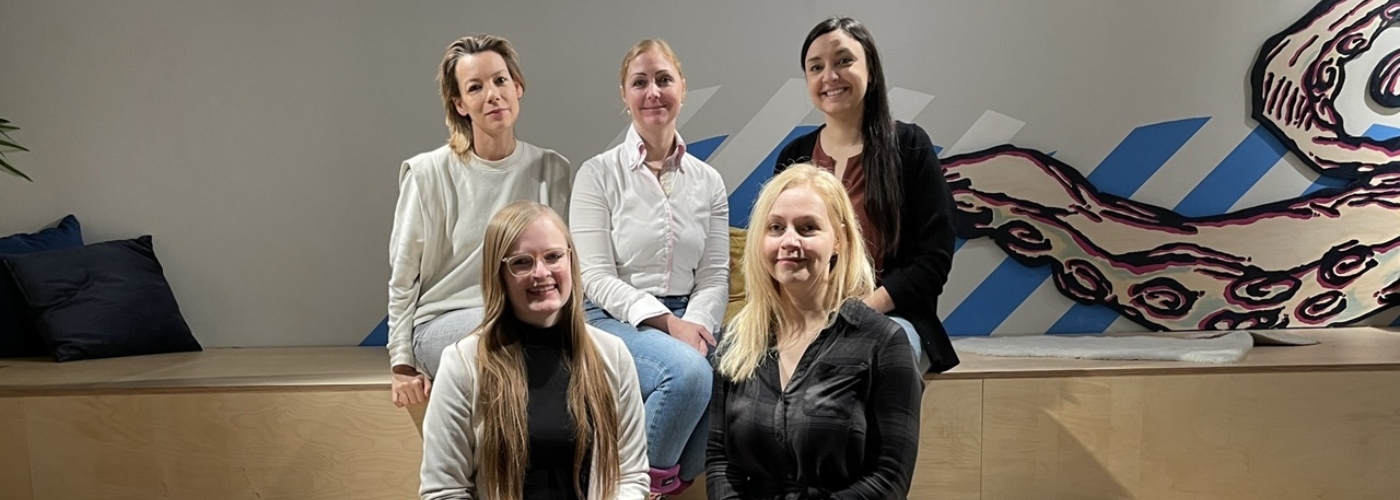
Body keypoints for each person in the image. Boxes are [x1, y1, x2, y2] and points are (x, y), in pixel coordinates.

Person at [569, 38, 729, 498]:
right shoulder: (596, 174)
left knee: (741, 372)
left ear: (683, 87)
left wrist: (694, 325)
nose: (653, 91)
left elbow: (715, 274)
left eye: (663, 79)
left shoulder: (708, 180)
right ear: (625, 95)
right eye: (640, 82)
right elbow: (594, 278)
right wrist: (668, 325)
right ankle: (635, 491)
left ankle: (662, 484)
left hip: (688, 314)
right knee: (690, 374)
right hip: (609, 318)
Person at [707, 165, 922, 500]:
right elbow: (720, 463)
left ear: (838, 240)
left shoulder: (883, 343)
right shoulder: (734, 340)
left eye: (807, 228)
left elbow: (888, 480)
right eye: (776, 227)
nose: (789, 241)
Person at [388, 34, 572, 407]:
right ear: (459, 104)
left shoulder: (553, 169)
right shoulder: (427, 174)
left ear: (518, 88)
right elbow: (404, 275)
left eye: (500, 80)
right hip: (445, 320)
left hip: (530, 321)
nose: (492, 94)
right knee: (513, 349)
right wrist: (402, 363)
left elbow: (567, 266)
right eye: (476, 87)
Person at [420, 202, 648, 500]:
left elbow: (630, 475)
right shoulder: (463, 363)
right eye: (522, 262)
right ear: (498, 274)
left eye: (553, 257)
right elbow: (444, 491)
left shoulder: (613, 355)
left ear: (570, 260)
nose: (541, 272)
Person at [775, 17, 959, 373]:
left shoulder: (909, 147)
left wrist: (858, 310)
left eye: (844, 61)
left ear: (870, 69)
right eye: (816, 67)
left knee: (876, 353)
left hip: (892, 317)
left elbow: (932, 260)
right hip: (803, 317)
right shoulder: (793, 156)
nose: (830, 75)